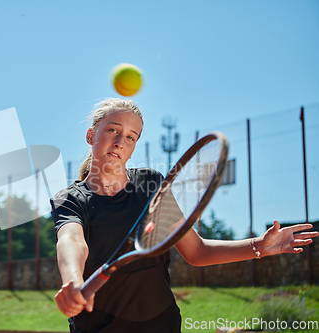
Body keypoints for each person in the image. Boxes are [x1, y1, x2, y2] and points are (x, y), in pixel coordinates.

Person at [49, 98, 318, 333]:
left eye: (131, 137)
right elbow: (71, 241)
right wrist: (73, 280)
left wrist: (258, 246)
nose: (120, 142)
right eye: (113, 130)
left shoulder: (151, 184)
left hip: (163, 326)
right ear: (91, 135)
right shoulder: (69, 199)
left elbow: (196, 250)